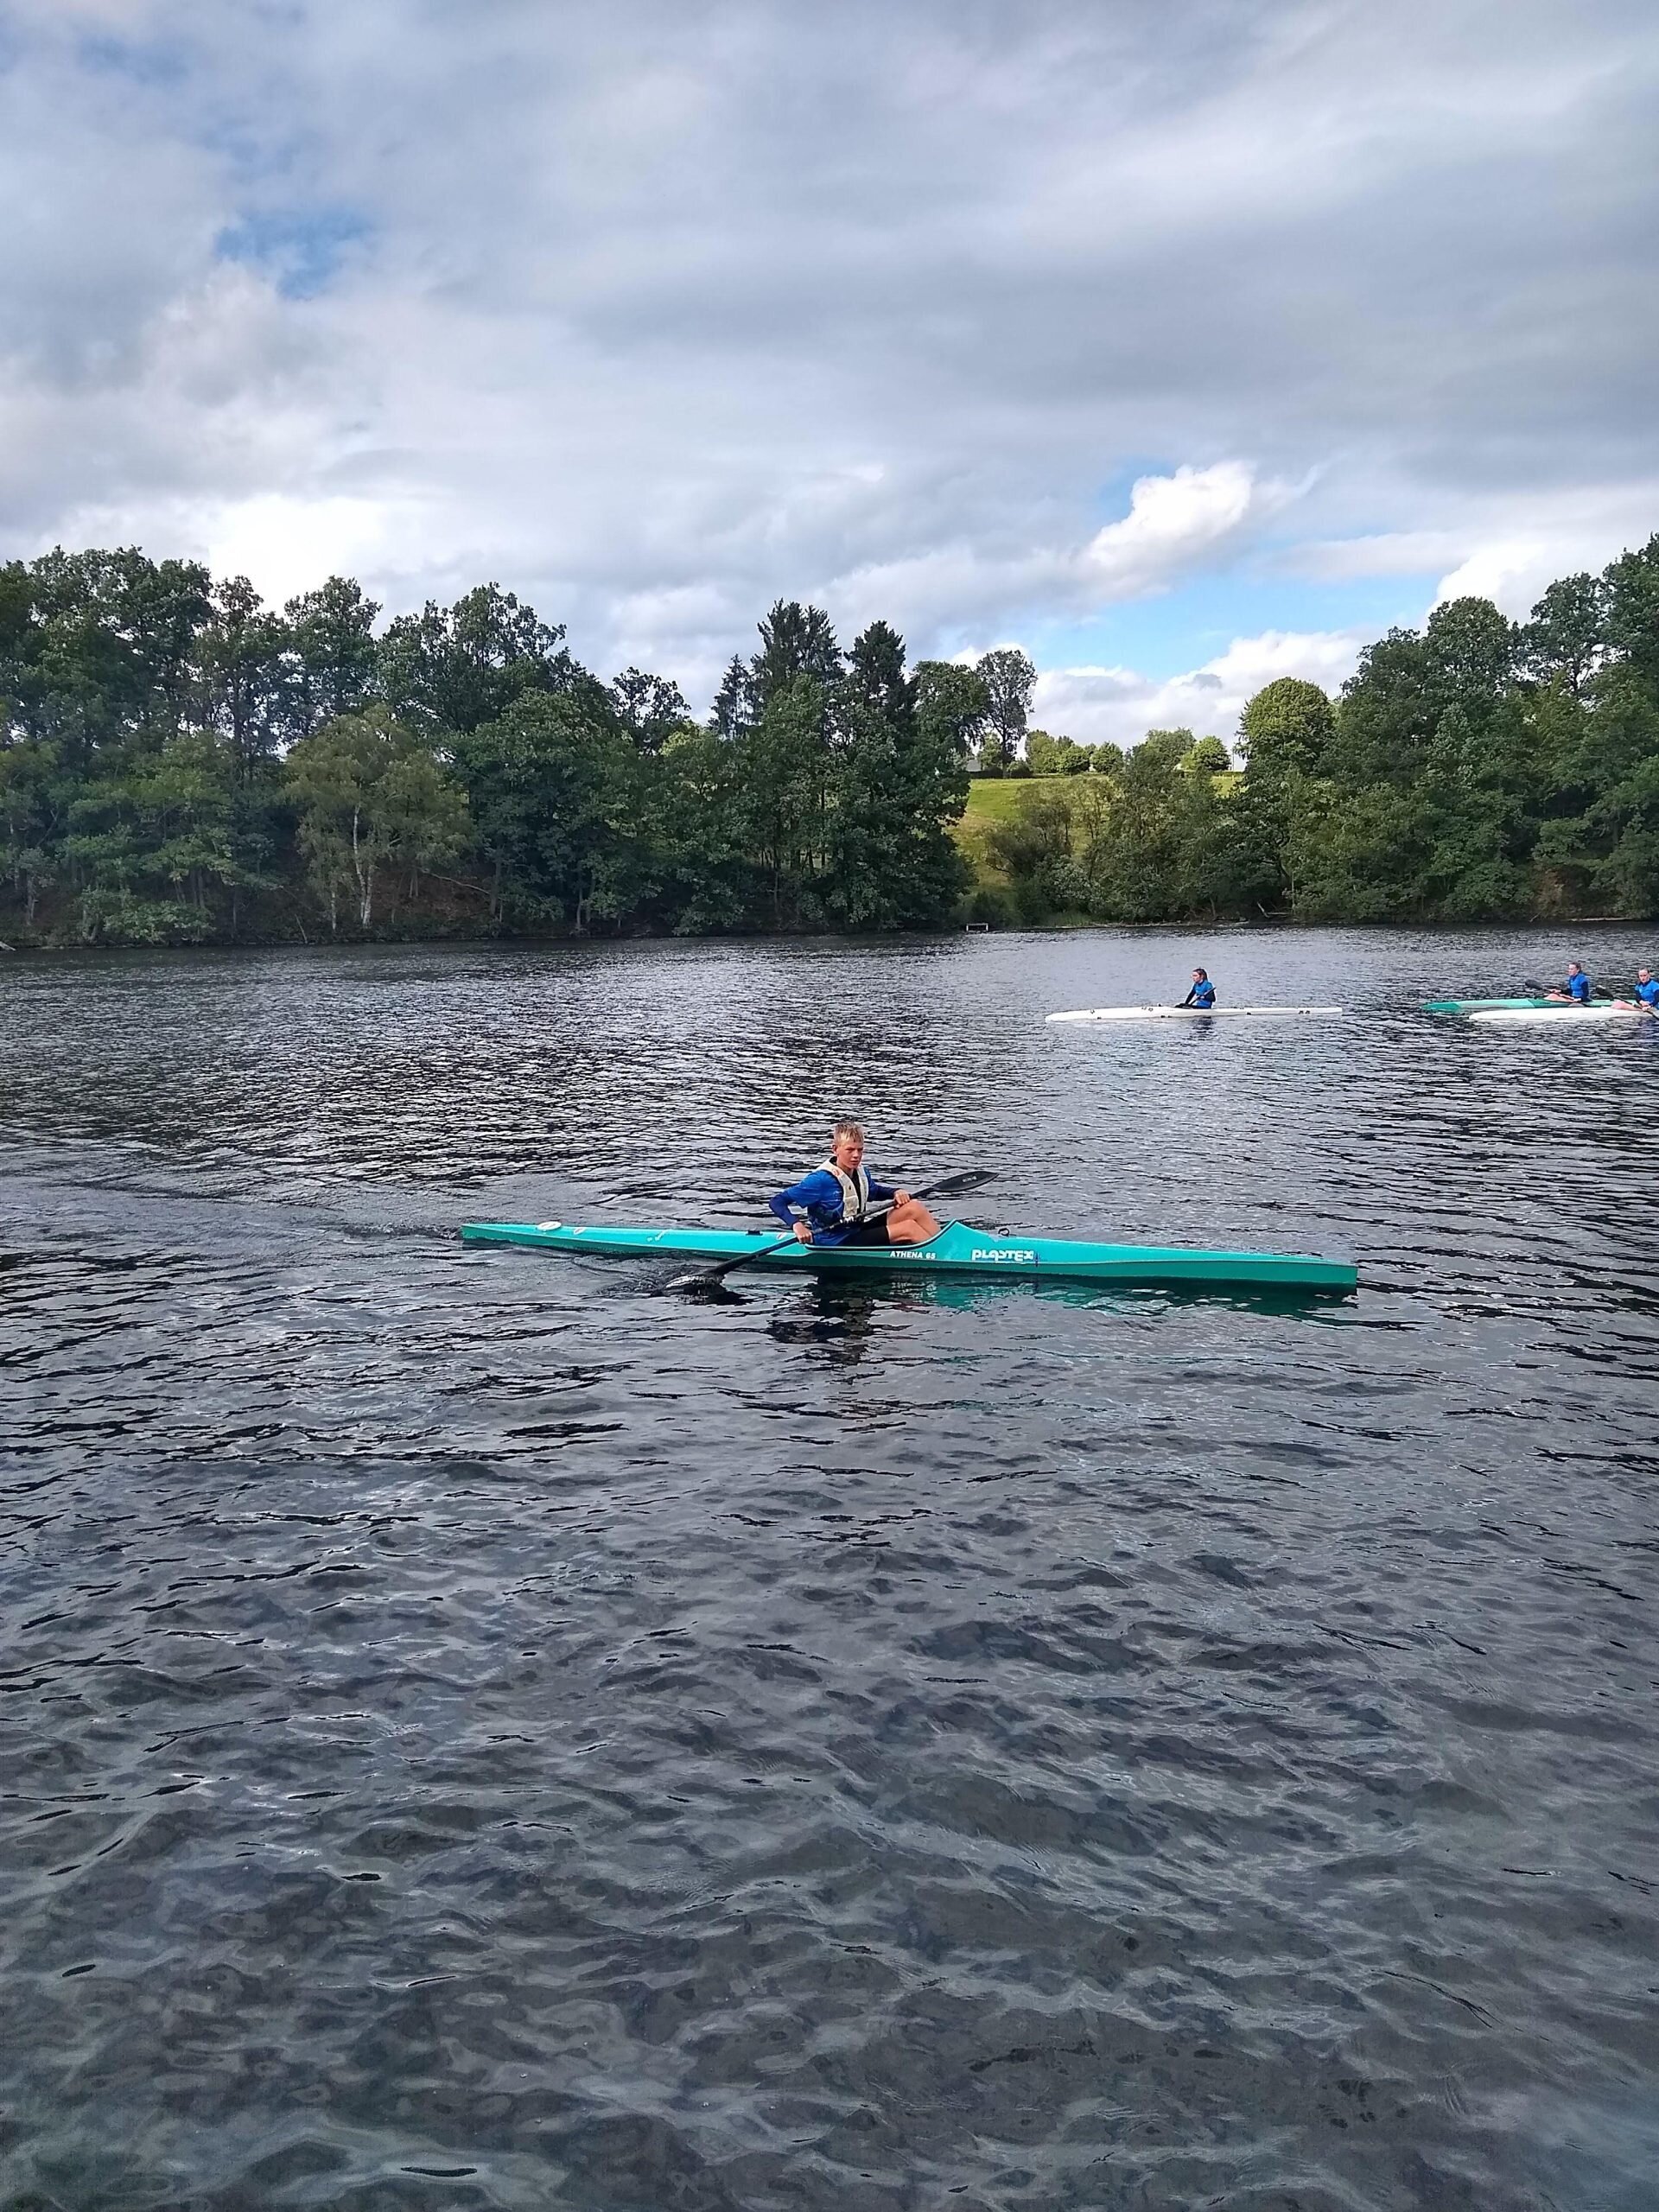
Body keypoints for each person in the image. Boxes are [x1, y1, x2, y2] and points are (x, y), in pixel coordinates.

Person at [768, 1119, 941, 1248]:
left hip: (856, 1231)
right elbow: (777, 1202)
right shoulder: (820, 1180)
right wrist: (797, 1225)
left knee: (913, 1207)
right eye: (850, 1150)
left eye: (860, 1150)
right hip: (834, 1241)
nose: (856, 1155)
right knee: (908, 1228)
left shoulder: (860, 1173)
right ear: (835, 1149)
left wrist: (896, 1192)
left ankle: (945, 1246)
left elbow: (874, 1192)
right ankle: (943, 1256)